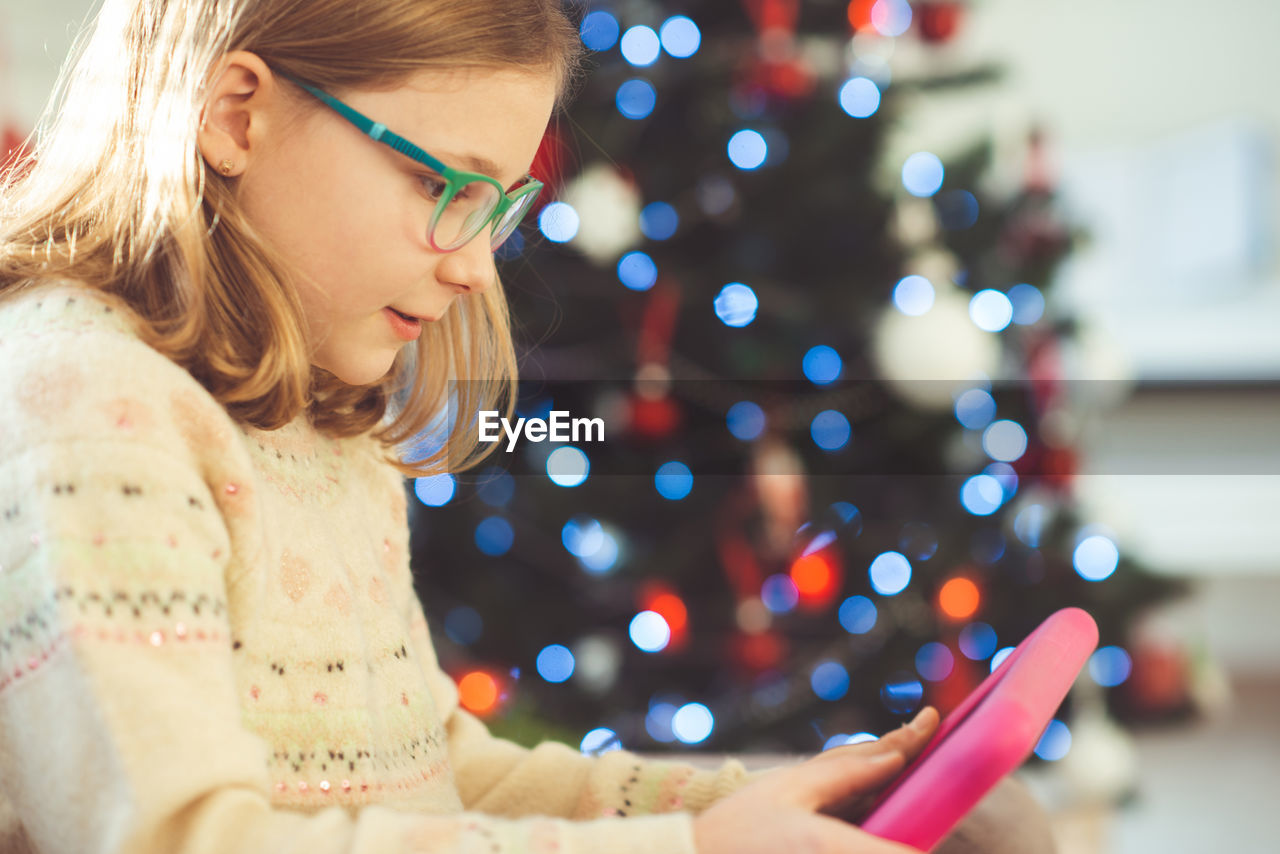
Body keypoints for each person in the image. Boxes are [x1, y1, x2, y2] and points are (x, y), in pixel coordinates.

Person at [0, 2, 1056, 853]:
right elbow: (175, 834)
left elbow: (440, 772)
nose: (472, 264)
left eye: (498, 207)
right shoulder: (91, 407)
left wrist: (760, 803)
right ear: (237, 116)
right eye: (441, 185)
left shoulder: (314, 405)